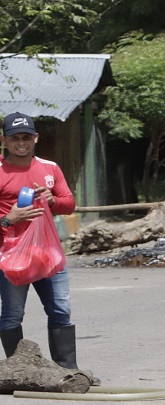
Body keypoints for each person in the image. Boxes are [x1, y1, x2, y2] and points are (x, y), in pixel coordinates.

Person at [0, 112, 99, 384]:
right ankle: (14, 373)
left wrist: (52, 200)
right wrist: (10, 218)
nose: (21, 143)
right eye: (15, 138)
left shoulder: (49, 168)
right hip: (11, 257)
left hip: (48, 253)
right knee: (12, 314)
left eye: (27, 137)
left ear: (36, 138)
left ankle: (67, 371)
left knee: (60, 310)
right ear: (4, 140)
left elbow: (69, 203)